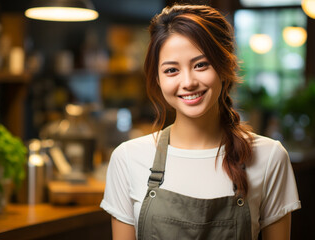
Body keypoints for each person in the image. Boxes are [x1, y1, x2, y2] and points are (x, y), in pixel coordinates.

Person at [100, 4, 301, 240]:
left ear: (225, 66)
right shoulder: (127, 159)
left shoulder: (270, 158)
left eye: (201, 65)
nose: (188, 82)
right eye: (172, 70)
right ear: (157, 78)